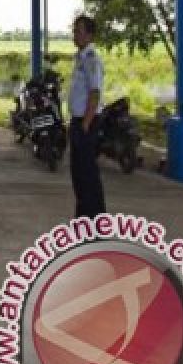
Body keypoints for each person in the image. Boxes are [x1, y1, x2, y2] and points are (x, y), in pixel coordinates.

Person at [68, 14, 106, 218]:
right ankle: (83, 218)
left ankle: (95, 221)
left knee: (87, 174)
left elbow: (95, 93)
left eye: (79, 31)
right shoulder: (80, 58)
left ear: (90, 35)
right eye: (74, 30)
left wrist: (86, 123)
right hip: (78, 121)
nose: (75, 35)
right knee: (78, 174)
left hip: (86, 122)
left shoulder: (92, 60)